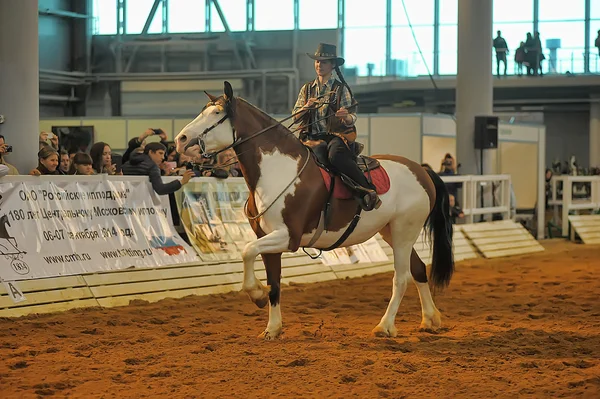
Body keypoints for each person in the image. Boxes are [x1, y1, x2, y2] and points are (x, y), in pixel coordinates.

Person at [292, 43, 379, 211]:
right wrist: (306, 108)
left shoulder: (341, 89)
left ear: (332, 65)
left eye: (324, 62)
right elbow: (296, 118)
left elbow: (352, 117)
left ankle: (365, 189)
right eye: (317, 61)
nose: (319, 65)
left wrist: (345, 117)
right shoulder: (307, 89)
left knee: (335, 157)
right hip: (310, 136)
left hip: (335, 136)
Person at [121, 142, 194, 195]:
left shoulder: (127, 163)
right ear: (150, 152)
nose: (162, 157)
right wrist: (181, 182)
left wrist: (163, 173)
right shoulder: (152, 167)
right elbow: (160, 189)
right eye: (160, 153)